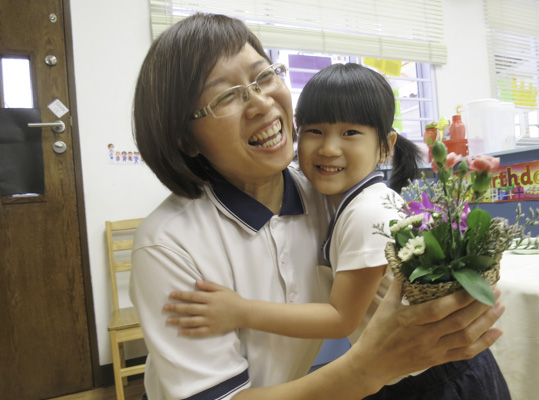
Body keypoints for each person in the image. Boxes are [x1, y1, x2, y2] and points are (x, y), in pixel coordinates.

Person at [129, 12, 505, 400]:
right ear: (185, 139)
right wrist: (369, 368)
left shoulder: (331, 197)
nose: (259, 102)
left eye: (263, 76)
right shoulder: (168, 244)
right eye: (225, 95)